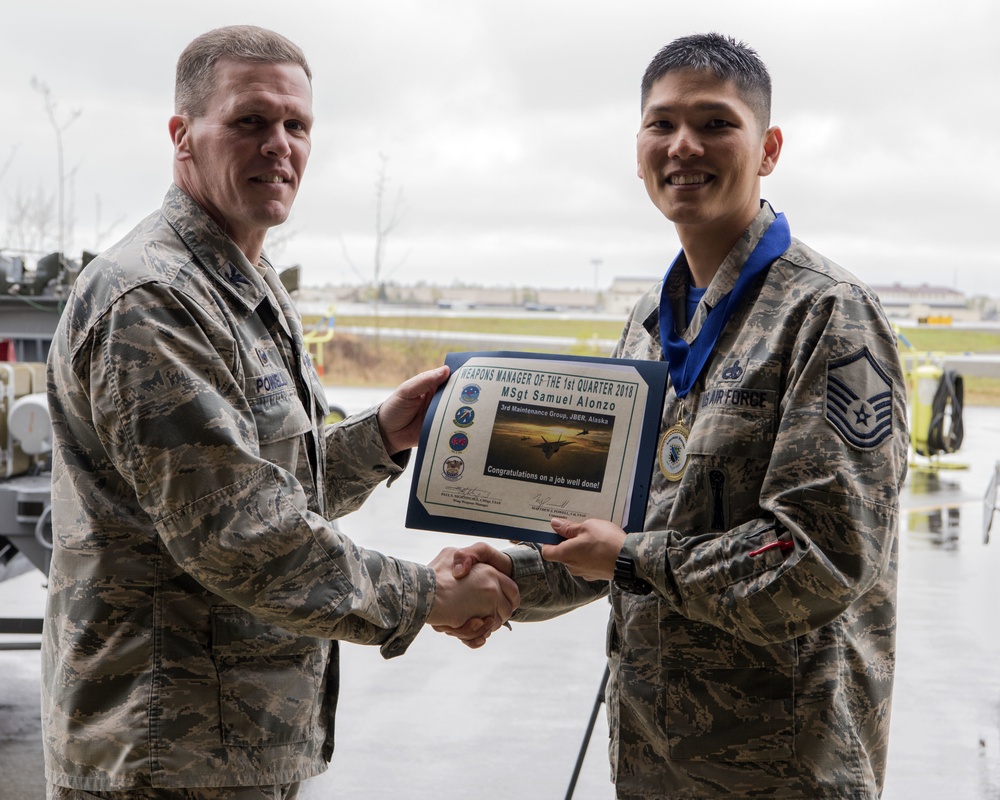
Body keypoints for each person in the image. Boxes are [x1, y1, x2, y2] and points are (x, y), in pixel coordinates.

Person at [42, 25, 517, 800]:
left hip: (230, 746)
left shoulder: (241, 283)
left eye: (298, 125)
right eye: (250, 122)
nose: (280, 146)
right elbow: (239, 536)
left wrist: (379, 440)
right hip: (162, 752)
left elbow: (267, 486)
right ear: (182, 136)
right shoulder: (153, 300)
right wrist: (427, 594)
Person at [445, 32, 909, 799]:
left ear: (769, 149)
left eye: (716, 123)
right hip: (653, 760)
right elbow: (617, 531)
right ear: (637, 150)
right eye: (661, 124)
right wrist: (507, 580)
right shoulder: (651, 324)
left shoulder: (828, 317)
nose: (683, 145)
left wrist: (628, 556)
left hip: (784, 771)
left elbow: (820, 562)